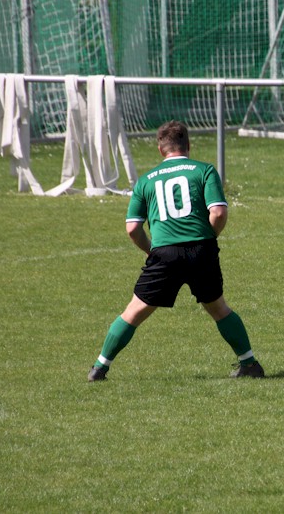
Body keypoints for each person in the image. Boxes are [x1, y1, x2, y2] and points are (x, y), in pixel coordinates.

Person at [87, 120, 264, 381]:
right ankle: (249, 363)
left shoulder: (146, 181)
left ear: (161, 150)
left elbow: (132, 228)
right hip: (201, 250)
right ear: (188, 145)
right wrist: (207, 238)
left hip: (164, 254)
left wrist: (151, 250)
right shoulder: (204, 170)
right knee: (218, 308)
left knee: (134, 311)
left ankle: (99, 368)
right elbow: (218, 212)